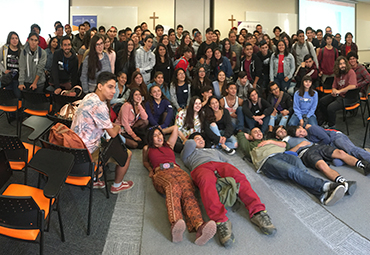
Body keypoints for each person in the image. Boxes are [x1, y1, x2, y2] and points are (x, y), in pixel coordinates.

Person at [181, 133, 276, 248]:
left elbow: (227, 161)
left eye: (202, 138)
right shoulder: (188, 153)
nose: (200, 140)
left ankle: (258, 212)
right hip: (200, 167)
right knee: (207, 185)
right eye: (197, 139)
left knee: (239, 177)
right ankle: (220, 221)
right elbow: (189, 144)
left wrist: (230, 175)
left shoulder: (214, 151)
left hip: (220, 164)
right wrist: (189, 139)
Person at [142, 126, 216, 245]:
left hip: (178, 170)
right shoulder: (147, 148)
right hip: (161, 172)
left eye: (160, 134)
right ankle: (176, 223)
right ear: (150, 139)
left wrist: (159, 130)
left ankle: (199, 227)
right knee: (173, 187)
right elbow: (145, 161)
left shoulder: (169, 145)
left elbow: (175, 128)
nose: (159, 137)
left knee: (188, 191)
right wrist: (150, 169)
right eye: (155, 136)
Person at [236, 127, 346, 206]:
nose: (258, 133)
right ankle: (327, 186)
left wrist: (269, 141)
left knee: (301, 169)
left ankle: (321, 195)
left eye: (259, 131)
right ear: (250, 136)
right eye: (255, 132)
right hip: (267, 160)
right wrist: (249, 137)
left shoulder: (270, 140)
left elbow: (286, 145)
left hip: (283, 155)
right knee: (292, 170)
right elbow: (240, 135)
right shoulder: (250, 146)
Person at [71, 71, 134, 193]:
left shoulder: (89, 96)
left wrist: (112, 126)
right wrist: (118, 126)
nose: (113, 91)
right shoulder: (100, 106)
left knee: (107, 141)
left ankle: (95, 176)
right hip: (87, 152)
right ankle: (117, 185)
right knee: (127, 153)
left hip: (75, 146)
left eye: (114, 88)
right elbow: (113, 133)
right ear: (100, 86)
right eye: (110, 87)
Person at [275, 125, 367, 190]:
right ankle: (344, 183)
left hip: (317, 146)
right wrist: (299, 145)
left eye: (282, 129)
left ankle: (364, 166)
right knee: (322, 165)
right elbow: (288, 154)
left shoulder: (295, 132)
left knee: (341, 153)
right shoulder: (284, 143)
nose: (282, 131)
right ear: (277, 136)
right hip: (305, 153)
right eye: (279, 132)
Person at [319, 56, 357, 129]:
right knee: (322, 101)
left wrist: (339, 91)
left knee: (331, 108)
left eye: (343, 63)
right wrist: (334, 91)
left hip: (348, 97)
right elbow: (334, 86)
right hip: (339, 95)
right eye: (340, 64)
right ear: (337, 65)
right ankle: (326, 120)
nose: (342, 65)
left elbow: (353, 86)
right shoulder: (337, 74)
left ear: (346, 64)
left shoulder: (350, 72)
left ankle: (331, 125)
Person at [0, 31, 23, 98]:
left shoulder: (21, 50)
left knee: (17, 96)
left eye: (16, 38)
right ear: (9, 39)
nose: (14, 40)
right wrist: (4, 70)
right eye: (12, 38)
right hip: (7, 78)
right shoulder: (4, 49)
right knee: (6, 96)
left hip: (17, 78)